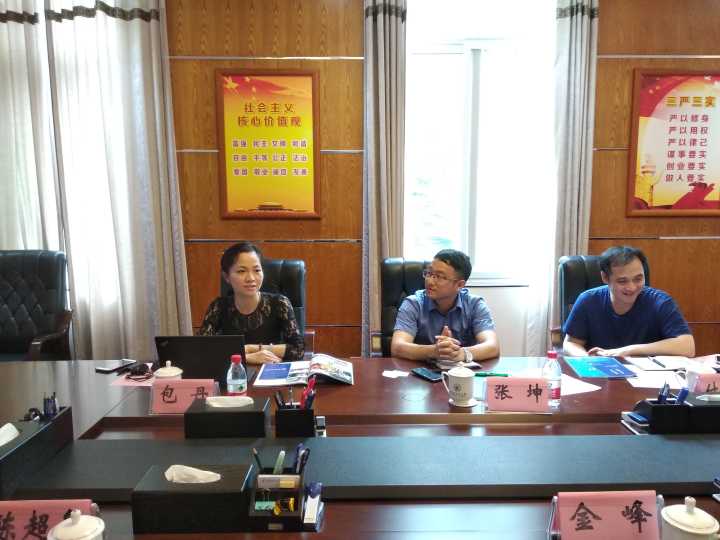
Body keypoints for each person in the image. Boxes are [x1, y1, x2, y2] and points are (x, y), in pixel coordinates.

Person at [563, 245, 695, 358]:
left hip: (647, 375)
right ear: (605, 277)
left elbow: (688, 347)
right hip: (600, 373)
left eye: (638, 279)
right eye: (622, 281)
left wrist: (629, 350)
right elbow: (571, 343)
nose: (631, 287)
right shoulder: (588, 300)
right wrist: (587, 360)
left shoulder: (660, 302)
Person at [199, 242, 304, 363]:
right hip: (234, 373)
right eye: (241, 271)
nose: (251, 278)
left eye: (257, 270)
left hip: (271, 371)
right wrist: (246, 357)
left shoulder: (280, 303)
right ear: (226, 277)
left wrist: (251, 348)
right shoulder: (218, 307)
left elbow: (298, 350)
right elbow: (202, 349)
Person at [391, 249, 500, 363]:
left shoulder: (475, 305)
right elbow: (397, 347)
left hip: (462, 371)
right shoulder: (413, 304)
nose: (430, 281)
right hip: (421, 370)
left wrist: (461, 353)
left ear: (459, 285)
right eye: (429, 273)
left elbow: (492, 346)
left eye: (439, 276)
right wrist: (434, 351)